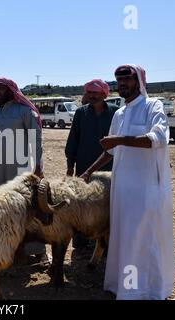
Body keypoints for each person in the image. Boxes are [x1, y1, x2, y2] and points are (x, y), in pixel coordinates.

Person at [81, 65, 174, 300]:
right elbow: (111, 150)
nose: (122, 83)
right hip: (122, 190)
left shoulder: (153, 106)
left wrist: (120, 139)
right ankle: (125, 287)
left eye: (127, 79)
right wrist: (88, 172)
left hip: (145, 190)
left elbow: (159, 138)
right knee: (123, 238)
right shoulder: (120, 113)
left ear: (139, 81)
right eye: (118, 80)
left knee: (144, 239)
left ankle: (149, 289)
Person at [0, 77, 46, 263]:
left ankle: (37, 251)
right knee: (0, 209)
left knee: (26, 209)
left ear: (11, 90)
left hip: (22, 168)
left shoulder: (25, 111)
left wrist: (38, 165)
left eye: (0, 88)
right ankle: (7, 251)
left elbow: (36, 140)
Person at [65, 79, 117, 249]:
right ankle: (81, 241)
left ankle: (106, 243)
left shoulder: (116, 113)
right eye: (89, 93)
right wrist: (70, 164)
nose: (92, 96)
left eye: (96, 93)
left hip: (109, 166)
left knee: (107, 204)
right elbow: (73, 139)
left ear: (104, 94)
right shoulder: (81, 113)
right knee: (83, 202)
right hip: (84, 165)